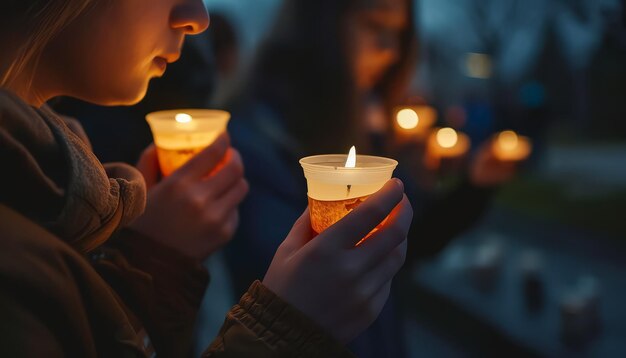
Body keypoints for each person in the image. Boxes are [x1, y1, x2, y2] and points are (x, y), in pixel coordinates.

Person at [0, 0, 413, 357]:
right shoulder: (17, 255)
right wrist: (285, 330)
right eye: (374, 26)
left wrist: (153, 258)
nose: (198, 17)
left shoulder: (54, 194)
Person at [222, 0, 520, 356]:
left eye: (398, 35)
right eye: (374, 26)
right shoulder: (255, 141)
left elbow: (410, 242)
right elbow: (281, 283)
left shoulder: (363, 126)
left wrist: (475, 187)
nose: (390, 51)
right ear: (318, 22)